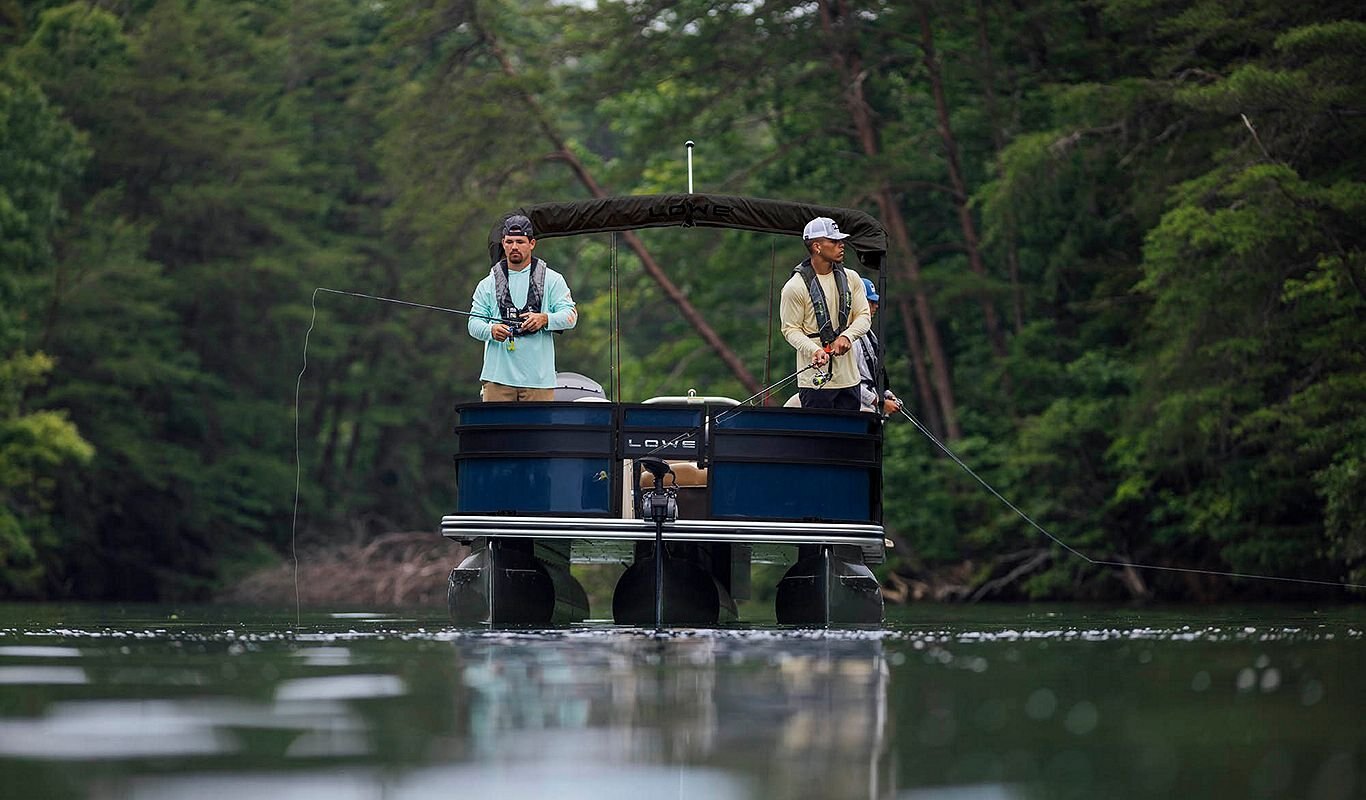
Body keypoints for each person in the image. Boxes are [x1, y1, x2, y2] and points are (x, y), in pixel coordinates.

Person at [468, 214, 578, 401]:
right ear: (503, 243)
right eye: (509, 242)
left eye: (520, 241)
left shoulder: (553, 279)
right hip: (497, 380)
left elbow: (571, 316)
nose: (514, 247)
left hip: (539, 381)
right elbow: (473, 324)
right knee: (495, 423)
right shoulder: (487, 283)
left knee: (538, 423)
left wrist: (545, 319)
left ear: (532, 243)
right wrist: (491, 330)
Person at [779, 216, 871, 410]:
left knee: (848, 430)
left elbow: (864, 316)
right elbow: (790, 329)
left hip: (850, 380)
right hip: (814, 382)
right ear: (817, 247)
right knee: (817, 430)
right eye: (834, 241)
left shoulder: (852, 278)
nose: (841, 245)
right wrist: (814, 350)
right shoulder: (794, 287)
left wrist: (847, 336)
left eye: (841, 240)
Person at [853, 277, 902, 415]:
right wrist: (880, 402)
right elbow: (848, 383)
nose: (876, 306)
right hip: (856, 410)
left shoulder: (868, 334)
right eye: (871, 302)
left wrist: (886, 393)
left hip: (869, 406)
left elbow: (870, 374)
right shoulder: (849, 338)